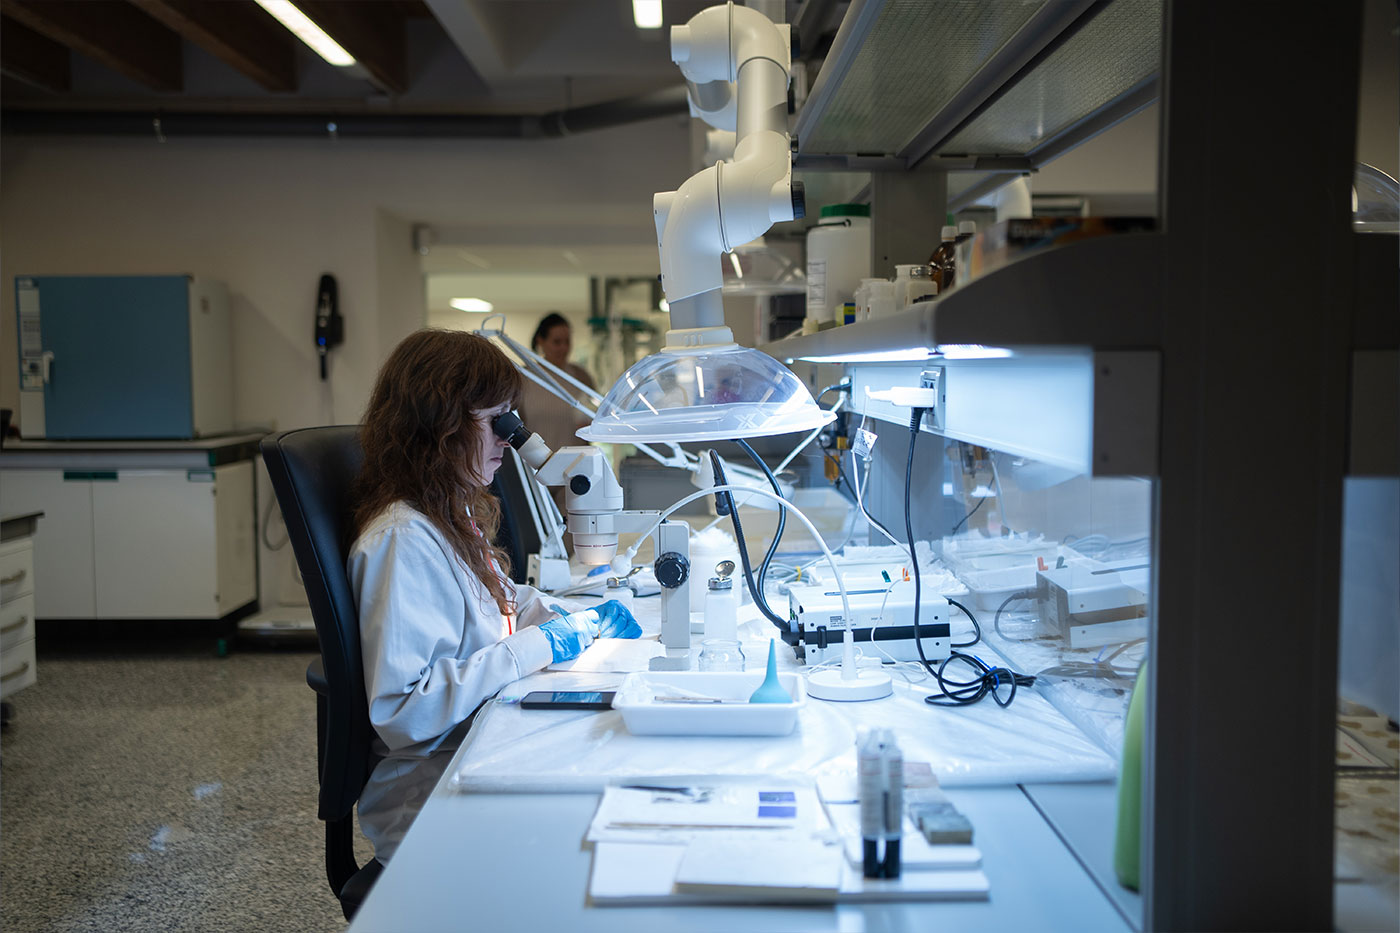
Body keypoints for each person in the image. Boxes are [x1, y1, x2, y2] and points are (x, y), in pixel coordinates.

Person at [347, 329, 640, 862]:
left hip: (473, 751)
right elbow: (405, 711)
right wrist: (541, 646)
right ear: (442, 427)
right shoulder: (402, 540)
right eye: (496, 421)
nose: (510, 438)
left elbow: (502, 601)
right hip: (429, 797)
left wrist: (574, 620)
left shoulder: (448, 515)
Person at [518, 312, 597, 454]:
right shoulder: (524, 377)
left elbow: (596, 415)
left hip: (574, 462)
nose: (564, 348)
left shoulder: (581, 377)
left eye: (567, 342)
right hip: (534, 463)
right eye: (557, 342)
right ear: (540, 341)